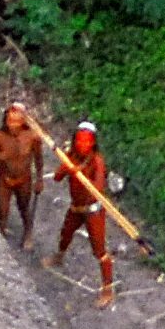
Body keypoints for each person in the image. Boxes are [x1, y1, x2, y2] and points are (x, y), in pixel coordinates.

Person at [45, 121, 115, 308]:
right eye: (80, 141)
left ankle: (107, 289)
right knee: (65, 233)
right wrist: (67, 169)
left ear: (93, 143)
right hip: (76, 208)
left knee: (99, 251)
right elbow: (58, 177)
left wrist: (80, 172)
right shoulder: (71, 156)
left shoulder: (96, 161)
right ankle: (58, 257)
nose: (83, 145)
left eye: (87, 142)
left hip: (93, 211)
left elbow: (97, 188)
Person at [0, 101, 45, 248]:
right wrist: (1, 155)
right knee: (2, 212)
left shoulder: (32, 137)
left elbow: (38, 159)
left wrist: (39, 179)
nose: (13, 125)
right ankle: (0, 238)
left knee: (24, 208)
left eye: (17, 121)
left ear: (23, 121)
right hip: (4, 180)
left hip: (24, 180)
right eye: (10, 121)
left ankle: (28, 233)